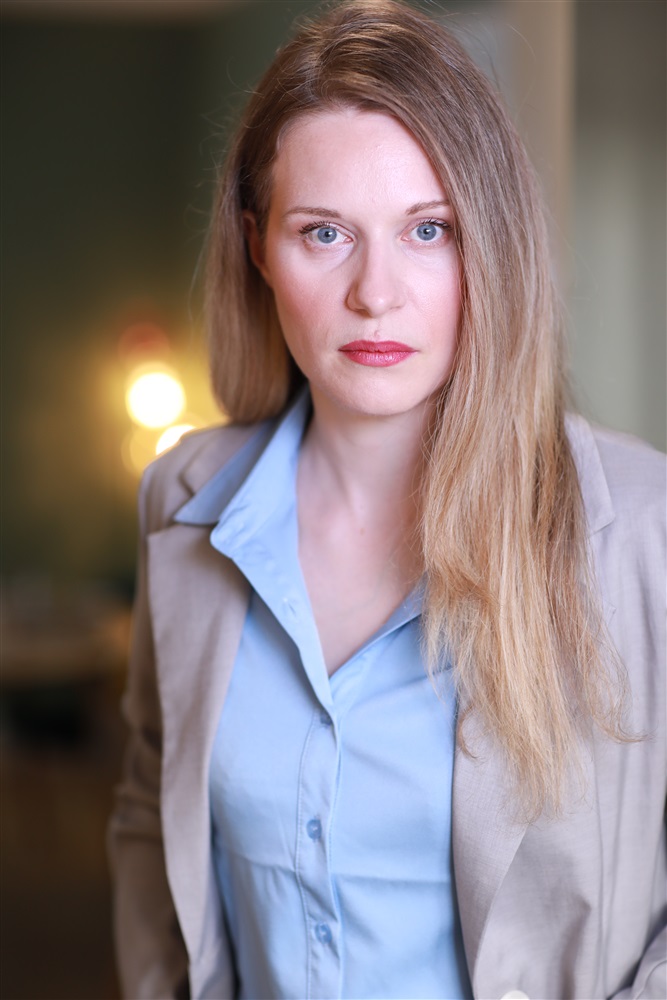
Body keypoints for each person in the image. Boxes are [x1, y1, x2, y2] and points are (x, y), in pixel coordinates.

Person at [108, 2, 666, 998]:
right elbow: (154, 810)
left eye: (427, 230)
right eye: (323, 232)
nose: (376, 292)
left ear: (489, 244)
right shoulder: (181, 504)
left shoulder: (639, 530)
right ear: (257, 246)